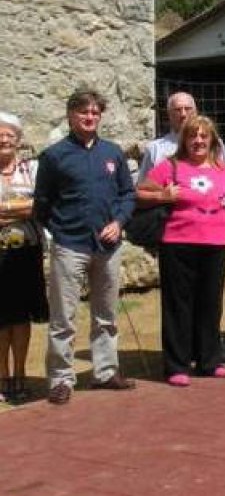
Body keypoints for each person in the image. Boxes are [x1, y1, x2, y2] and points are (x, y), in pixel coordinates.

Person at [34, 90, 137, 404]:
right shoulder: (54, 156)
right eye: (83, 112)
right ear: (70, 115)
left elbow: (127, 195)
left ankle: (105, 372)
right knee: (63, 319)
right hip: (69, 246)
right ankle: (61, 379)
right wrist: (59, 234)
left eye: (95, 112)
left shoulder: (113, 153)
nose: (89, 117)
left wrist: (118, 222)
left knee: (105, 315)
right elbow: (42, 204)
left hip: (108, 247)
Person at [139, 116, 225, 386]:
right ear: (184, 140)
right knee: (179, 304)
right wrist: (162, 196)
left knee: (210, 303)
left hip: (215, 244)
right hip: (178, 243)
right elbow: (139, 193)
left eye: (203, 136)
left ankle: (209, 360)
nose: (198, 141)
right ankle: (177, 363)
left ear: (212, 140)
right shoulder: (170, 167)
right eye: (192, 136)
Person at [0, 112, 48, 404]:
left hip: (26, 255)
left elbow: (41, 206)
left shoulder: (32, 171)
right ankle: (2, 377)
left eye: (9, 135)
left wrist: (6, 211)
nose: (4, 140)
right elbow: (30, 206)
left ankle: (20, 374)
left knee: (21, 319)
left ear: (18, 140)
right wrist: (23, 207)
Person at [140, 91, 225, 177]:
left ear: (196, 112)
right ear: (169, 115)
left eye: (188, 109)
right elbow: (143, 187)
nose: (183, 114)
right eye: (177, 110)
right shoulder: (155, 149)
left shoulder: (213, 144)